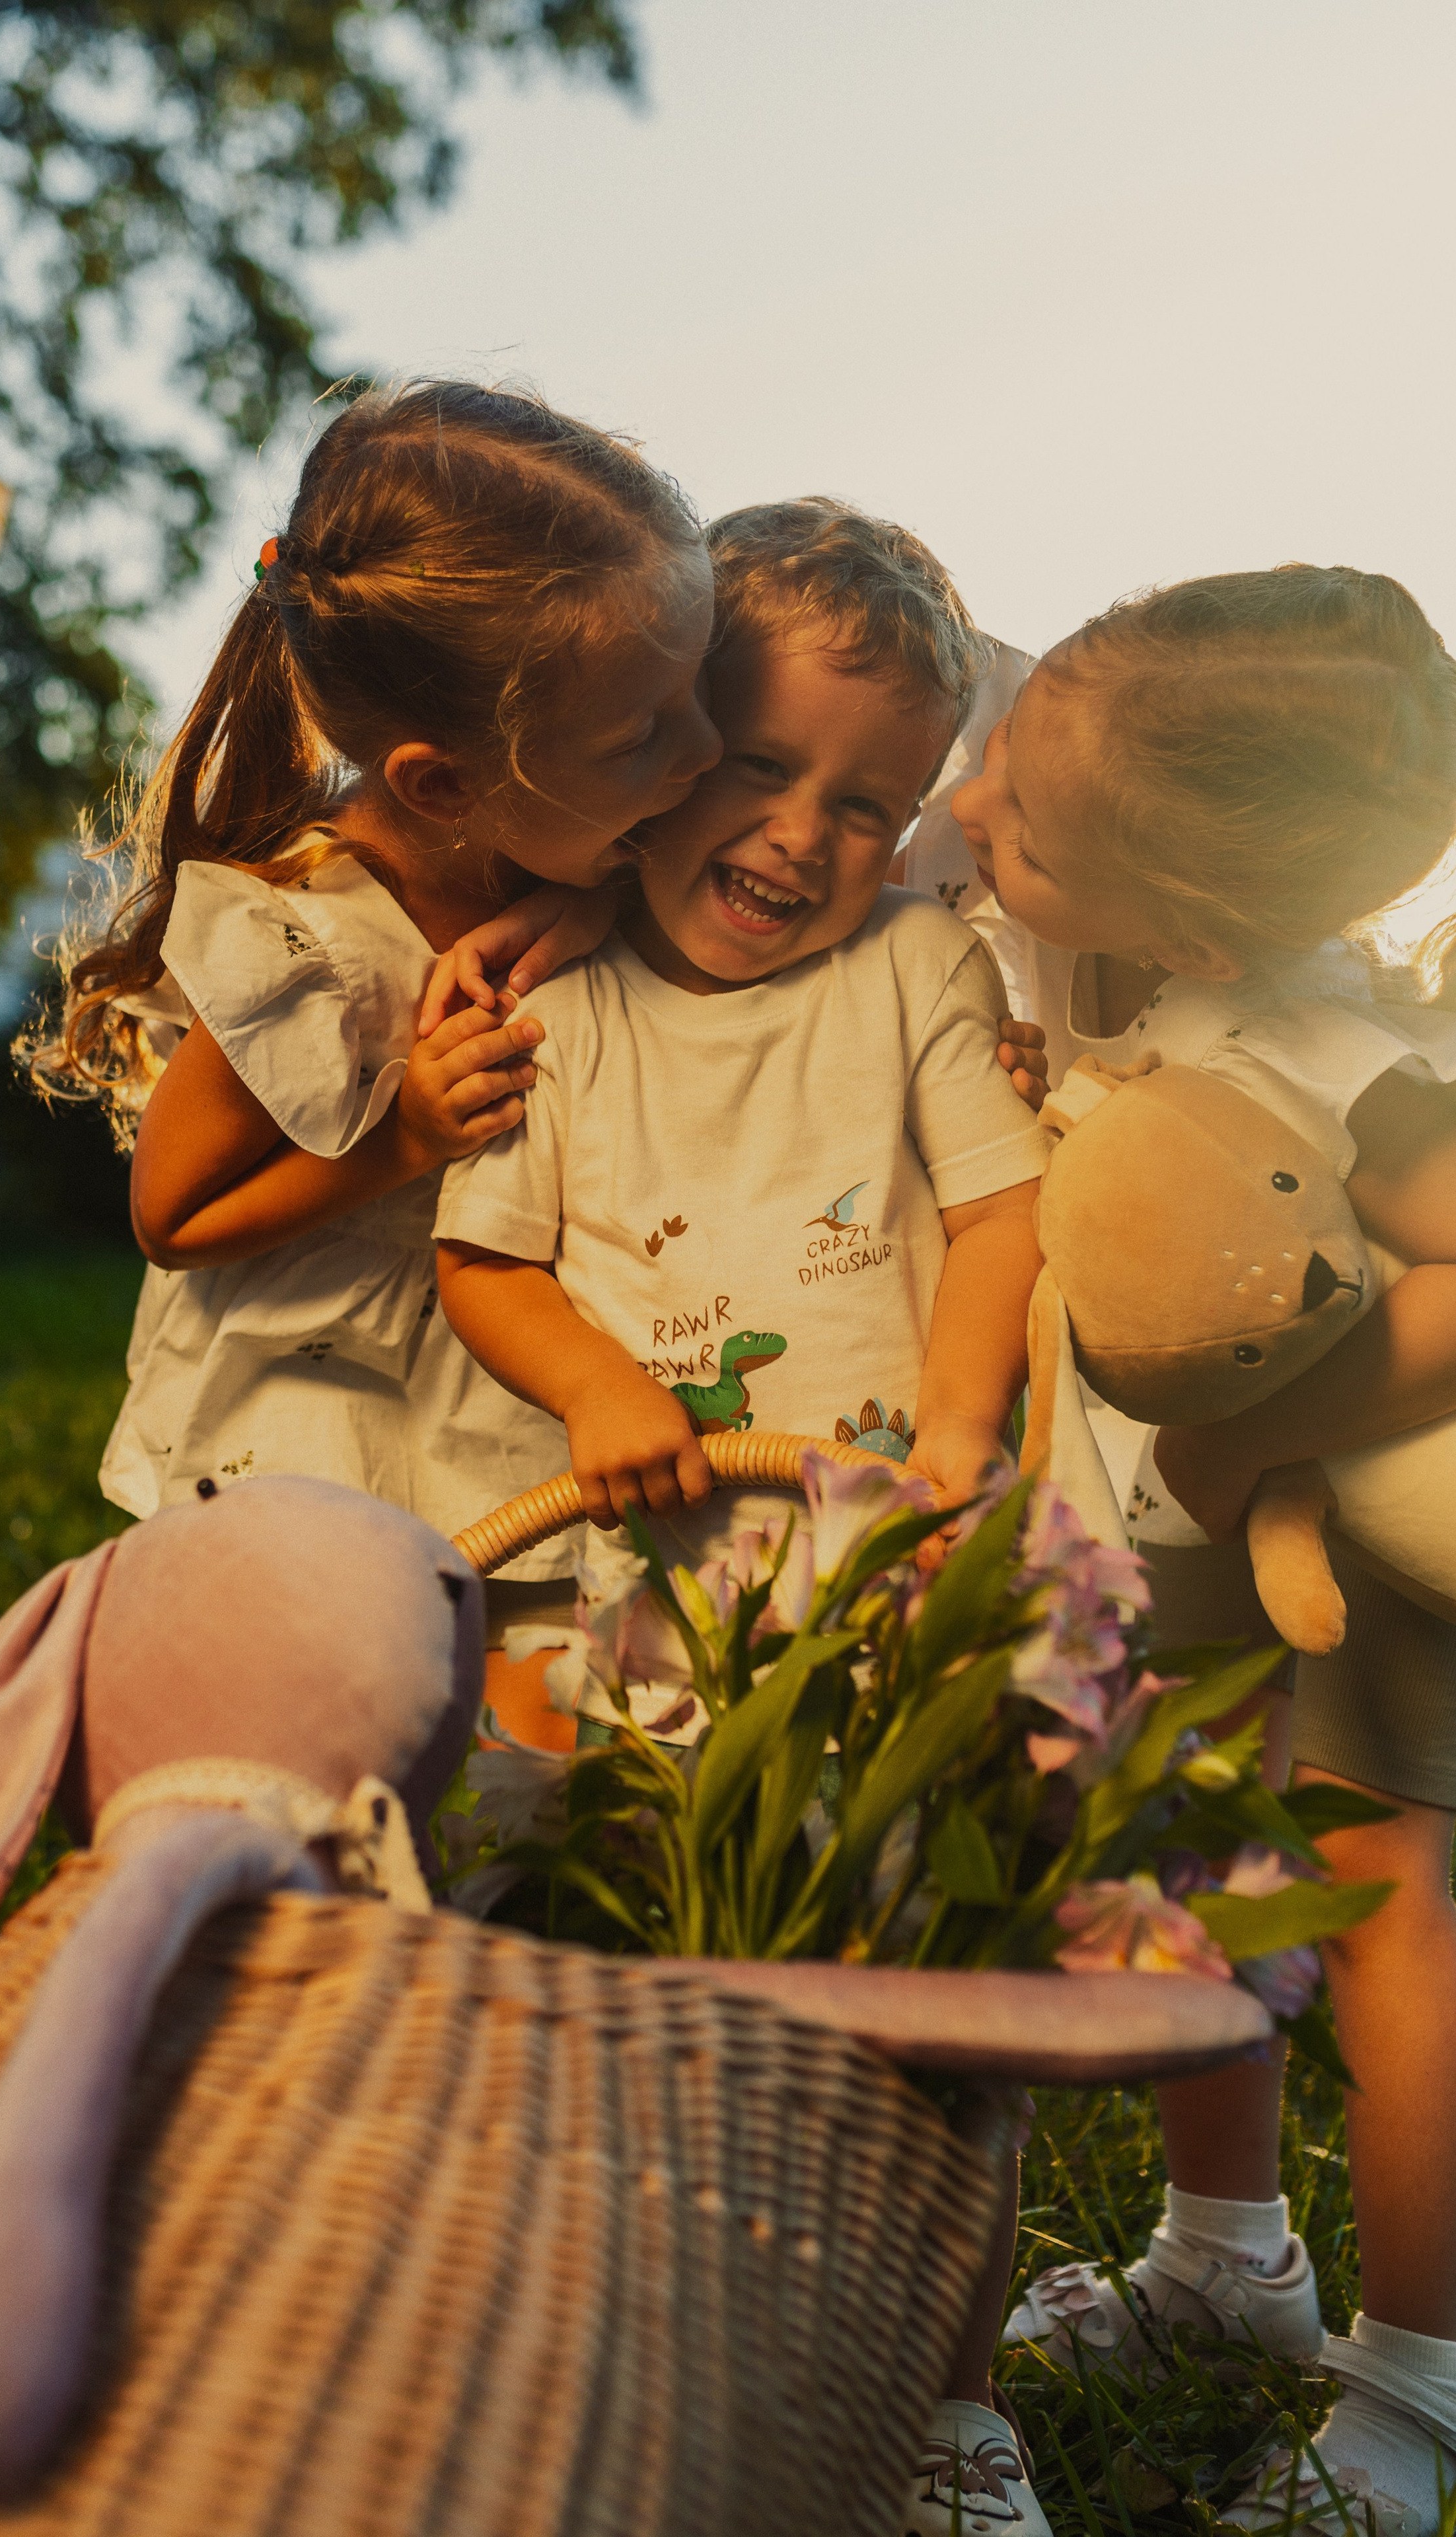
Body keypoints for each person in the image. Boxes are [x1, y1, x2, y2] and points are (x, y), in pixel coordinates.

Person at [431, 497, 1054, 2520]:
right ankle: (635, 2340)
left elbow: (999, 1211)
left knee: (929, 1967)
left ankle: (954, 2409)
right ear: (657, 746)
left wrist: (961, 1446)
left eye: (871, 805)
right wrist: (608, 1392)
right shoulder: (568, 1005)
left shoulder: (911, 965)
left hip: (875, 1576)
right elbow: (488, 1257)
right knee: (609, 1960)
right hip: (644, 1599)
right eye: (760, 764)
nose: (806, 834)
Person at [947, 564, 1456, 2536]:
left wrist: (1267, 1429)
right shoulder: (1162, 995)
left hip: (1363, 1574)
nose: (982, 808)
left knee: (1385, 1903)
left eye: (1026, 819)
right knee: (1201, 1866)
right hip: (1188, 1571)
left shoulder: (1345, 1058)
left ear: (1198, 914)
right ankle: (1226, 2258)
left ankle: (1419, 2382)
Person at [29, 379, 720, 1599]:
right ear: (443, 786)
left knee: (508, 1670)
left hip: (493, 1360)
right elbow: (171, 1218)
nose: (707, 752)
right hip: (319, 1401)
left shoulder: (562, 851)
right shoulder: (310, 940)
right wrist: (403, 1134)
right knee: (340, 1669)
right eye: (645, 735)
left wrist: (594, 900)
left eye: (698, 695)